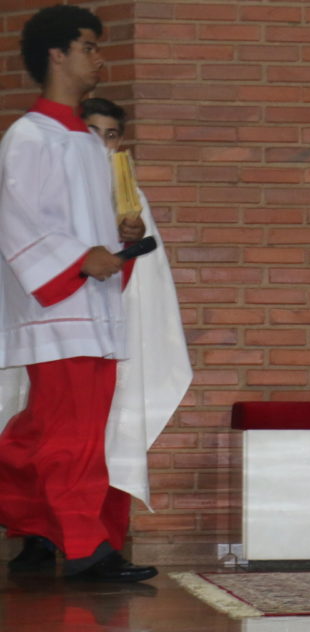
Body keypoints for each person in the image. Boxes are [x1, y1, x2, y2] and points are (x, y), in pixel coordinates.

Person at [0, 5, 156, 582]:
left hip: (92, 306)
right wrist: (78, 258)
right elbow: (18, 220)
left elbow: (83, 225)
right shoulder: (28, 137)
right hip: (58, 307)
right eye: (89, 47)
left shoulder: (89, 145)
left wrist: (119, 238)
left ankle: (27, 515)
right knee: (68, 436)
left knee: (54, 431)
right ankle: (88, 548)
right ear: (56, 54)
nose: (99, 59)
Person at [80, 98, 193, 520]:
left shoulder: (131, 196)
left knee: (112, 434)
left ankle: (103, 538)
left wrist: (131, 238)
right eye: (92, 133)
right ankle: (39, 537)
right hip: (61, 329)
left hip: (113, 334)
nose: (102, 144)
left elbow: (145, 275)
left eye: (110, 135)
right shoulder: (52, 186)